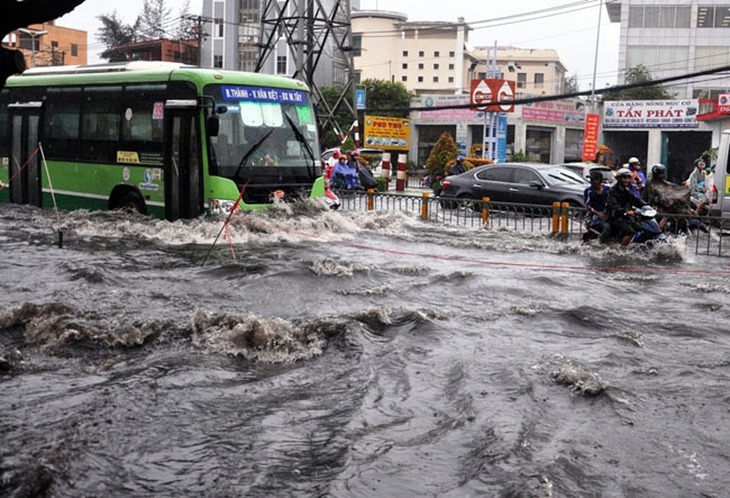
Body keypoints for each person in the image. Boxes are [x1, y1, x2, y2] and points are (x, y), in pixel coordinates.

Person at [642, 163, 693, 230]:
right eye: (660, 173)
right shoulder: (650, 183)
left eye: (662, 173)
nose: (662, 175)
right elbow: (647, 197)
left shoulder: (665, 183)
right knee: (665, 216)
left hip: (666, 206)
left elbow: (673, 189)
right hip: (655, 207)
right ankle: (658, 231)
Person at [607, 167, 649, 246]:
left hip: (626, 217)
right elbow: (613, 206)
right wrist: (625, 211)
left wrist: (648, 206)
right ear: (619, 179)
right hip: (616, 217)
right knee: (630, 232)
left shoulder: (627, 190)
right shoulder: (613, 191)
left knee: (642, 229)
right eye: (624, 178)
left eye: (628, 178)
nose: (626, 180)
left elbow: (636, 200)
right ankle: (621, 250)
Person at [583, 169, 612, 243]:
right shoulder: (589, 191)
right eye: (591, 180)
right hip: (594, 215)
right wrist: (598, 213)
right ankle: (601, 244)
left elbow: (611, 202)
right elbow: (587, 205)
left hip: (607, 214)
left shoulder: (607, 190)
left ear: (600, 180)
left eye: (594, 180)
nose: (592, 182)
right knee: (606, 227)